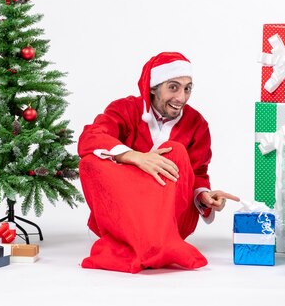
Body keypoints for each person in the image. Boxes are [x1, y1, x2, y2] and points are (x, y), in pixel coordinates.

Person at [78, 51, 239, 273]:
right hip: (128, 214)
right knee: (90, 163)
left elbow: (198, 173)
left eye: (187, 88)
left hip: (170, 219)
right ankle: (148, 246)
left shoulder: (197, 124)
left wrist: (204, 196)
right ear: (153, 87)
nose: (181, 97)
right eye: (173, 87)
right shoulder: (125, 109)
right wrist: (134, 157)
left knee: (176, 151)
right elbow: (90, 138)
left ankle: (152, 244)